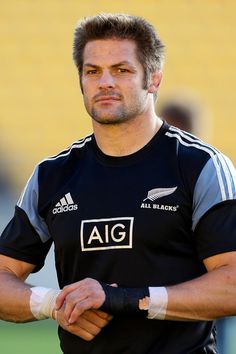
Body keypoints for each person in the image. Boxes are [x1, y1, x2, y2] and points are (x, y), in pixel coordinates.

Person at [0, 13, 236, 354]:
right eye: (92, 71)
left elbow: (231, 284)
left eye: (121, 70)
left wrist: (125, 299)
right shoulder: (52, 174)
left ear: (153, 79)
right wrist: (55, 303)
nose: (105, 82)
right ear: (80, 80)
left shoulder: (201, 166)